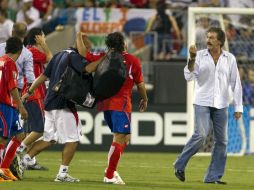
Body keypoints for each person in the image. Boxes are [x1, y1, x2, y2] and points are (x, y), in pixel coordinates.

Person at [21, 32, 102, 182]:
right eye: (87, 49)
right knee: (73, 140)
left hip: (49, 102)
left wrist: (29, 92)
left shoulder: (59, 55)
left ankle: (23, 161)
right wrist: (103, 58)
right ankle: (62, 174)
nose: (88, 53)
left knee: (49, 139)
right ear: (80, 46)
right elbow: (88, 69)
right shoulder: (74, 57)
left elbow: (43, 77)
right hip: (63, 103)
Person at [173, 27, 243, 184]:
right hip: (202, 102)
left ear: (220, 41)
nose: (208, 40)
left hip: (222, 104)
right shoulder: (199, 56)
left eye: (211, 38)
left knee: (222, 141)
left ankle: (212, 177)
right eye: (207, 37)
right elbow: (189, 76)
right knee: (201, 135)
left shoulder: (230, 58)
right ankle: (179, 164)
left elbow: (236, 84)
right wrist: (191, 58)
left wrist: (238, 107)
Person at [85, 32, 148, 185]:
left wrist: (80, 38)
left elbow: (86, 59)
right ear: (123, 43)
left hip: (105, 104)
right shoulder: (132, 60)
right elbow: (140, 84)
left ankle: (111, 169)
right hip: (121, 104)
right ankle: (109, 174)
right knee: (121, 137)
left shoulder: (103, 57)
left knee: (124, 137)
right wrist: (145, 99)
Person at [0, 22, 34, 179]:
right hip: (6, 103)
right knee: (2, 137)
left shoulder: (2, 60)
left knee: (20, 135)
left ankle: (5, 168)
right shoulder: (11, 64)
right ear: (20, 51)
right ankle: (1, 170)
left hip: (10, 104)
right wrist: (21, 107)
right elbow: (13, 88)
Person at [16, 28, 52, 171]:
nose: (44, 37)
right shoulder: (32, 51)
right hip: (34, 94)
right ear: (37, 37)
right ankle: (18, 150)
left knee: (32, 130)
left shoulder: (27, 51)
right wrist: (43, 44)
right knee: (40, 129)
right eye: (43, 36)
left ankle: (30, 161)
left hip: (29, 92)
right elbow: (50, 58)